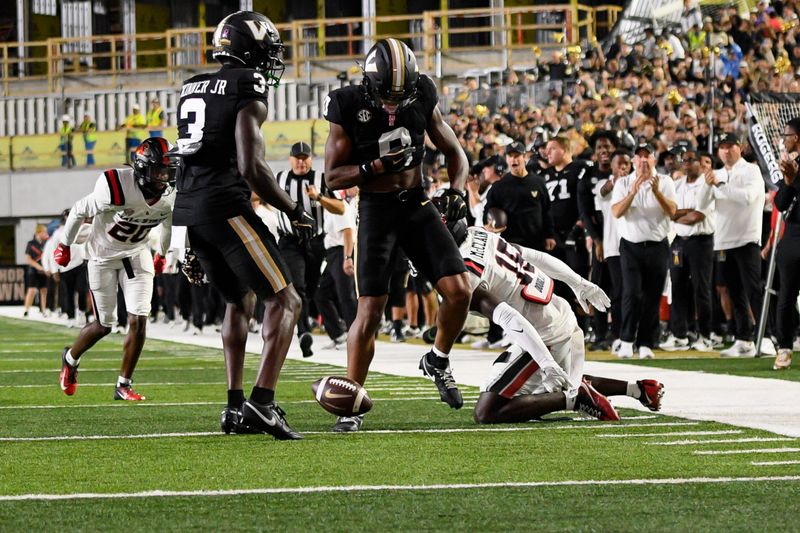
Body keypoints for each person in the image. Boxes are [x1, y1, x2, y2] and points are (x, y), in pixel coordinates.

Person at [173, 11, 316, 440]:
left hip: (192, 209)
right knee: (286, 300)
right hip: (226, 208)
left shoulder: (192, 85)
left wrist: (187, 237)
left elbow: (187, 160)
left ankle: (234, 407)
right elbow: (251, 167)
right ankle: (263, 403)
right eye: (267, 51)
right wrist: (293, 209)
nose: (271, 61)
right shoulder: (246, 86)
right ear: (249, 49)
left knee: (239, 300)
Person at [323, 37, 472, 432]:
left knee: (460, 291)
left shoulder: (422, 91)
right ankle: (351, 402)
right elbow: (333, 176)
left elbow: (457, 154)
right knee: (370, 310)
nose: (393, 104)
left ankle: (437, 359)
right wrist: (374, 166)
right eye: (387, 97)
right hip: (376, 209)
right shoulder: (347, 103)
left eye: (400, 96)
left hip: (416, 204)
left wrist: (457, 192)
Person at [433, 204, 664, 423]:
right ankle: (639, 389)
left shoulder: (467, 275)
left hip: (544, 334)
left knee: (487, 410)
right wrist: (579, 282)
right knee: (555, 384)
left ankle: (575, 398)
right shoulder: (478, 234)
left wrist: (545, 362)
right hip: (556, 316)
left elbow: (508, 317)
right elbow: (535, 256)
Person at [55, 138, 176, 401]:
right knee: (104, 325)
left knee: (139, 319)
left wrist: (162, 254)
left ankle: (124, 384)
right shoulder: (115, 186)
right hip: (102, 256)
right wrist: (64, 245)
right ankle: (70, 358)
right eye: (159, 170)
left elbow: (167, 225)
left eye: (168, 170)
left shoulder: (170, 195)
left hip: (136, 253)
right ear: (143, 169)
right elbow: (78, 210)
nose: (165, 177)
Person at [275, 141, 345, 357]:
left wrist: (319, 198)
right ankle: (303, 331)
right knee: (297, 286)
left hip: (315, 241)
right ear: (290, 159)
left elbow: (341, 208)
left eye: (305, 157)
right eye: (297, 157)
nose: (301, 161)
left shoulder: (322, 180)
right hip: (289, 241)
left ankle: (323, 329)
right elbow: (257, 196)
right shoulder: (280, 179)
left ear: (310, 160)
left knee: (312, 289)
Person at [706, 134, 773, 357]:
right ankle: (743, 338)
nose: (726, 151)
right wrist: (707, 187)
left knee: (754, 289)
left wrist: (720, 185)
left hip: (747, 239)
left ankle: (765, 337)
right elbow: (705, 204)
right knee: (733, 291)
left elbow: (748, 197)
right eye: (722, 148)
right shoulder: (716, 174)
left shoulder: (751, 171)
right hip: (723, 240)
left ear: (740, 148)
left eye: (730, 146)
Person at [611, 142, 677, 359]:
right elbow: (617, 212)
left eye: (646, 157)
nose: (642, 161)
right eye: (638, 157)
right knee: (632, 292)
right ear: (633, 161)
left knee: (652, 295)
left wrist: (656, 192)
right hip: (631, 245)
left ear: (653, 161)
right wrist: (633, 192)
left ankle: (646, 342)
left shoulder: (665, 182)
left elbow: (672, 211)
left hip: (657, 244)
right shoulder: (623, 182)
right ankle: (627, 339)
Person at [660, 145, 716, 352]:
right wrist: (683, 213)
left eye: (691, 159)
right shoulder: (677, 184)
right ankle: (679, 334)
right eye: (684, 160)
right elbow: (669, 212)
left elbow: (697, 216)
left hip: (701, 241)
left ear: (700, 163)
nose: (686, 163)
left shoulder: (707, 184)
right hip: (678, 242)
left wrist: (679, 215)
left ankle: (705, 335)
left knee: (701, 289)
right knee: (677, 286)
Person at [484, 140, 556, 252]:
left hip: (537, 242)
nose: (514, 159)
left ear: (525, 157)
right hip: (511, 244)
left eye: (517, 155)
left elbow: (547, 211)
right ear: (506, 159)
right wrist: (488, 225)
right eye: (510, 156)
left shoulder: (538, 182)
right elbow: (488, 210)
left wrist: (550, 235)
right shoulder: (499, 187)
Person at [596, 149, 632, 355]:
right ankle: (618, 333)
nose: (623, 167)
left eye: (627, 163)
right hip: (614, 246)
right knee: (618, 291)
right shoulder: (605, 184)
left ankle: (632, 333)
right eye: (620, 164)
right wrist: (615, 180)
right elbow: (602, 193)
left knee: (634, 291)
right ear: (612, 166)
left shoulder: (637, 182)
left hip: (634, 243)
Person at [773, 117, 800, 370]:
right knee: (786, 296)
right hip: (792, 234)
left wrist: (795, 178)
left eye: (786, 135)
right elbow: (781, 203)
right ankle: (784, 349)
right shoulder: (788, 165)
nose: (784, 139)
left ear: (797, 138)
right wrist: (789, 182)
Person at [23, 224, 50, 317]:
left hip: (44, 271)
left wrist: (46, 268)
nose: (46, 234)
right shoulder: (31, 243)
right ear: (39, 233)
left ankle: (43, 310)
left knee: (44, 290)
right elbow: (28, 259)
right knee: (32, 290)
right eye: (44, 232)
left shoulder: (46, 243)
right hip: (33, 271)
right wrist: (39, 267)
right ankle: (26, 310)